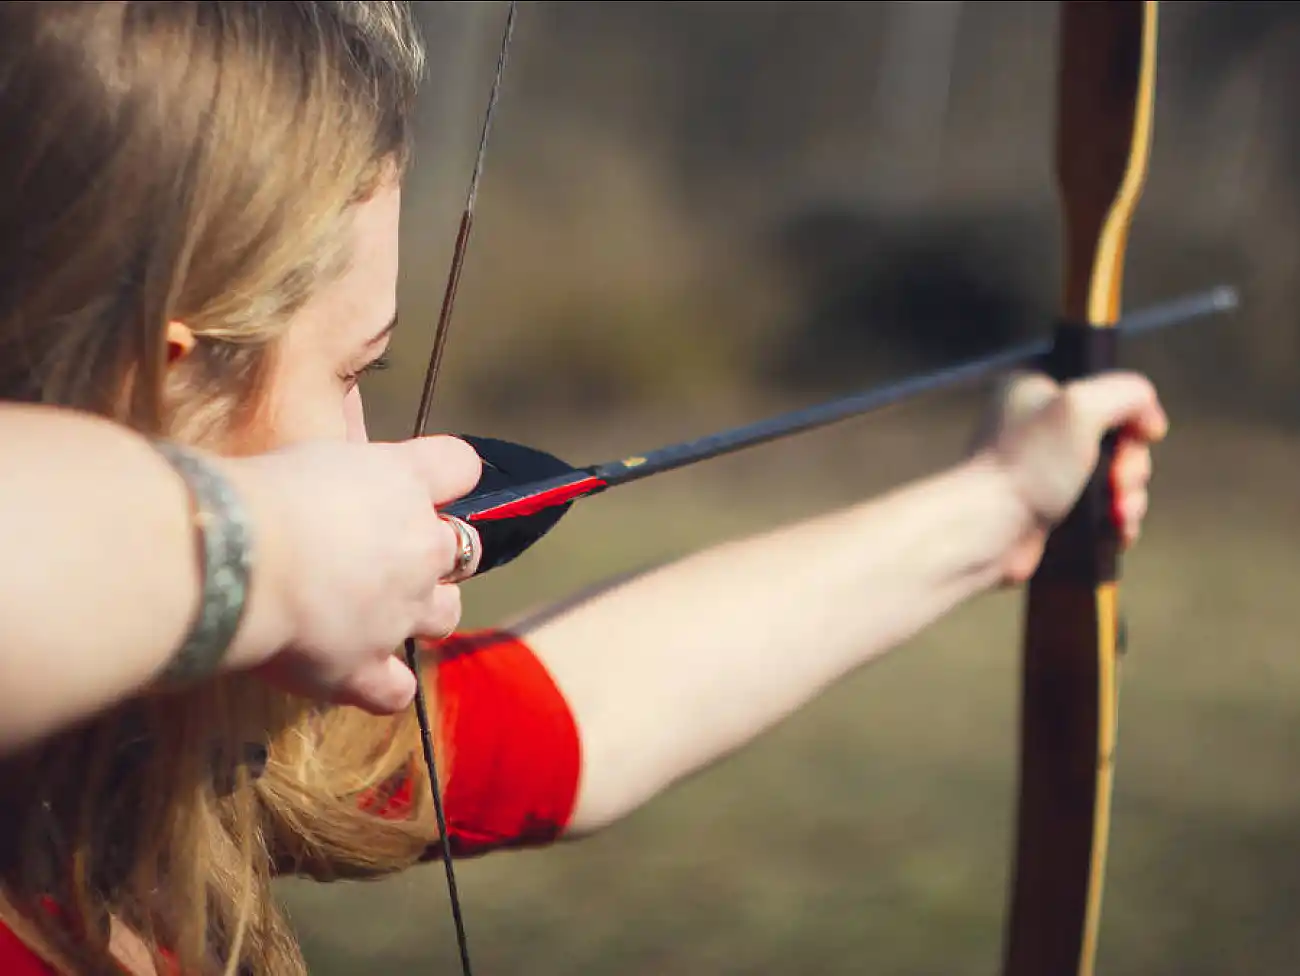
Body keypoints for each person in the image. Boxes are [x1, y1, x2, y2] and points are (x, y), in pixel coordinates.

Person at [0, 3, 1167, 975]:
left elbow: (578, 719)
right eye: (352, 371)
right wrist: (275, 548)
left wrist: (996, 502)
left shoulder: (166, 751)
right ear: (167, 379)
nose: (368, 441)